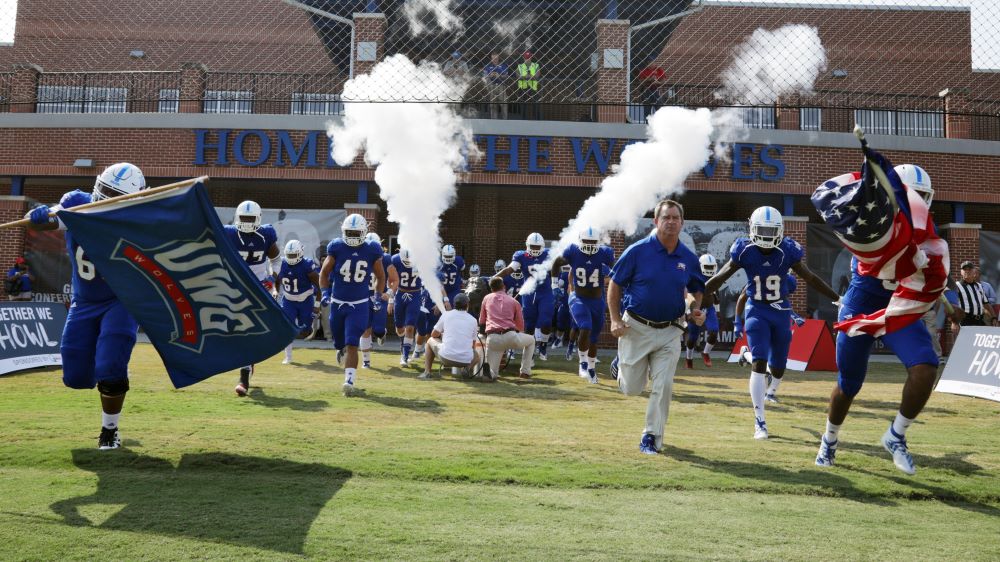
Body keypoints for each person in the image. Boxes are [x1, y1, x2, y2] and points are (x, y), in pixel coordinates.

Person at [811, 156, 948, 476]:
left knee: (926, 368)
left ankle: (896, 435)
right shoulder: (871, 222)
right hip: (862, 305)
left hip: (897, 307)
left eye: (921, 197)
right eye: (908, 195)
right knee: (849, 384)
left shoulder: (928, 234)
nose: (915, 204)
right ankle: (829, 438)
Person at [24, 162, 148, 449]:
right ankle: (109, 371)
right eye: (103, 191)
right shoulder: (79, 204)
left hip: (121, 300)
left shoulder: (140, 221)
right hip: (85, 301)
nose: (105, 199)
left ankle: (110, 429)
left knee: (109, 367)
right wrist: (37, 214)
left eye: (114, 194)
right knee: (76, 377)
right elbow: (52, 217)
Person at [704, 206, 839, 440]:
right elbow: (719, 278)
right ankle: (760, 423)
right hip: (757, 309)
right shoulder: (744, 249)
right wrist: (694, 296)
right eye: (762, 229)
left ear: (780, 230)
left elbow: (810, 278)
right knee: (759, 363)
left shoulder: (788, 251)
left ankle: (759, 373)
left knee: (778, 366)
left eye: (771, 230)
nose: (766, 235)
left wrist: (837, 298)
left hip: (780, 312)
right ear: (752, 229)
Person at [608, 200, 705, 455]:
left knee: (663, 386)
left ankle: (650, 436)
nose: (671, 222)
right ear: (656, 221)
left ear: (682, 222)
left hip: (671, 330)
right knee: (632, 389)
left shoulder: (688, 257)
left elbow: (696, 289)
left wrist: (694, 309)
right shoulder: (637, 251)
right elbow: (615, 284)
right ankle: (620, 366)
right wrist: (615, 319)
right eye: (666, 217)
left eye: (675, 218)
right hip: (636, 328)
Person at [319, 214, 386, 397]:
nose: (353, 236)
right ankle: (340, 350)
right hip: (338, 303)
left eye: (357, 233)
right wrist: (325, 293)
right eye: (350, 232)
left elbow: (381, 276)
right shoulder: (337, 247)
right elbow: (324, 273)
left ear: (365, 232)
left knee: (352, 343)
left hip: (360, 304)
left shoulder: (372, 249)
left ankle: (349, 380)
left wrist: (378, 296)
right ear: (343, 231)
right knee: (340, 342)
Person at [225, 200, 281, 397]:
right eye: (244, 219)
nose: (247, 223)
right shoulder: (228, 233)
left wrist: (273, 279)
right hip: (235, 286)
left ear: (258, 219)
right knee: (236, 330)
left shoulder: (266, 234)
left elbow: (275, 259)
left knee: (247, 330)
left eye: (251, 219)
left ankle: (244, 376)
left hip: (258, 287)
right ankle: (248, 363)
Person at [553, 227, 616, 384]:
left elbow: (616, 276)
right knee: (585, 327)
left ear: (598, 242)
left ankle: (592, 368)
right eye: (586, 241)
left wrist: (610, 272)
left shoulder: (605, 253)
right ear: (580, 241)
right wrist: (554, 285)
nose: (589, 244)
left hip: (597, 301)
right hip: (578, 297)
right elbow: (556, 263)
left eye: (592, 242)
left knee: (594, 339)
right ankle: (582, 364)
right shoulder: (573, 251)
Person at [495, 233, 555, 360]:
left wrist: (555, 283)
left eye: (538, 247)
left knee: (546, 320)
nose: (535, 249)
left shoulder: (548, 253)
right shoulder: (521, 255)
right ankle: (529, 352)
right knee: (529, 325)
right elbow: (509, 270)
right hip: (529, 293)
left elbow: (557, 266)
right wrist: (494, 278)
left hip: (545, 292)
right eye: (533, 246)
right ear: (527, 245)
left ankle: (543, 345)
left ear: (543, 246)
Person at [479, 276, 536, 380]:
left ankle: (491, 374)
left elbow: (482, 321)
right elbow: (520, 326)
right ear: (504, 286)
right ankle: (525, 372)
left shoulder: (486, 298)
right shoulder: (514, 302)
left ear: (491, 288)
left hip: (492, 338)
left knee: (493, 372)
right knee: (531, 340)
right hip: (510, 336)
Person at [275, 239, 321, 365]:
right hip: (289, 300)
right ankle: (288, 356)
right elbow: (277, 280)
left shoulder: (307, 265)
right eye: (289, 255)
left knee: (305, 331)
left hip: (305, 300)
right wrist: (276, 291)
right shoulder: (282, 264)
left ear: (300, 253)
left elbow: (320, 286)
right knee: (287, 328)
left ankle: (310, 325)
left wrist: (317, 305)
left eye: (294, 255)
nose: (291, 258)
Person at [420, 293, 481, 379]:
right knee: (477, 356)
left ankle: (427, 372)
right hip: (466, 360)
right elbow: (473, 343)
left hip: (446, 357)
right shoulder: (473, 320)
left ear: (454, 304)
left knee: (430, 340)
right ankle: (467, 369)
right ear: (467, 305)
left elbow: (434, 334)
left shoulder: (446, 315)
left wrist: (442, 335)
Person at [360, 232, 392, 368]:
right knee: (365, 329)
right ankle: (366, 361)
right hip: (364, 297)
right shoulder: (358, 257)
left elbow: (394, 279)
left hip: (379, 297)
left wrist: (389, 293)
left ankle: (381, 333)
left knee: (378, 330)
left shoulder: (386, 259)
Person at [387, 248, 422, 366]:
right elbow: (391, 280)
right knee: (399, 328)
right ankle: (403, 342)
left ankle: (405, 356)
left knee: (410, 326)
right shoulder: (395, 260)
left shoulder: (421, 259)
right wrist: (391, 299)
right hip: (400, 294)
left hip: (415, 294)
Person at [685, 254, 720, 369]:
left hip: (709, 308)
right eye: (707, 267)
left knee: (714, 330)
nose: (710, 270)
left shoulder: (714, 278)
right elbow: (688, 295)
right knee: (692, 338)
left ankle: (705, 353)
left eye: (711, 267)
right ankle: (689, 358)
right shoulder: (693, 277)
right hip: (697, 309)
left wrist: (718, 311)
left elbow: (716, 295)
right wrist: (688, 311)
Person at [954, 261, 993, 333]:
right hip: (965, 321)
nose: (967, 271)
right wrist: (954, 322)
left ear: (974, 272)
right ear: (961, 272)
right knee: (966, 343)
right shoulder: (957, 286)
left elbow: (986, 304)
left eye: (969, 269)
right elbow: (952, 305)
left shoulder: (979, 286)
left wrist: (993, 318)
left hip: (979, 321)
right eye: (964, 269)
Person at [483, 52, 509, 119]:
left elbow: (506, 76)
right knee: (493, 105)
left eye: (496, 58)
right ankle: (493, 121)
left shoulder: (503, 66)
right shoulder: (487, 66)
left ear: (498, 58)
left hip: (501, 86)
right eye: (493, 59)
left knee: (504, 105)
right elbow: (484, 77)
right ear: (491, 59)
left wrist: (499, 76)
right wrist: (489, 75)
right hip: (492, 86)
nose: (495, 60)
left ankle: (505, 120)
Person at [516, 51, 541, 120]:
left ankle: (536, 121)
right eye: (526, 58)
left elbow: (538, 75)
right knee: (523, 106)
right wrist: (527, 76)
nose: (527, 59)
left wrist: (527, 77)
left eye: (529, 58)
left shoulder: (536, 65)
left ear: (531, 57)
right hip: (523, 88)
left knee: (535, 106)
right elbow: (517, 76)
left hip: (533, 88)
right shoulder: (520, 66)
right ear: (523, 58)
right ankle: (523, 120)